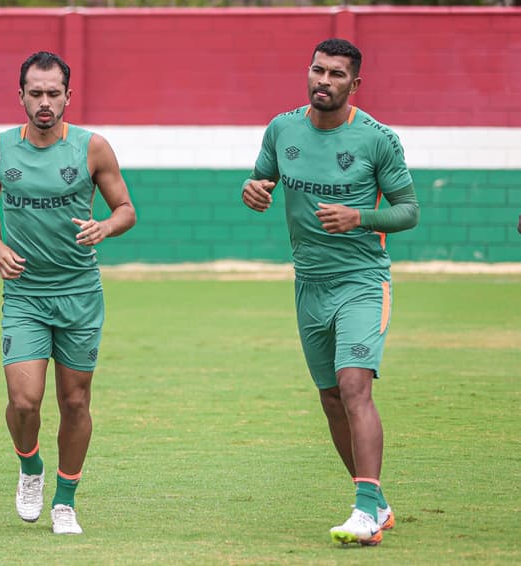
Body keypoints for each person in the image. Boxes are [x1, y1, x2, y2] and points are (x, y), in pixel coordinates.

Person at [241, 38, 419, 546]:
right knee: (331, 397)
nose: (324, 81)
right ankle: (376, 502)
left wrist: (359, 216)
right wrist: (252, 190)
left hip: (363, 281)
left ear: (354, 84)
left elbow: (409, 211)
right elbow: (261, 180)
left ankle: (363, 510)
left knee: (354, 384)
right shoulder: (282, 128)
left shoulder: (377, 139)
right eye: (318, 70)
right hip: (308, 284)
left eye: (337, 74)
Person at [0, 51, 136, 535]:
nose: (44, 102)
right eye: (35, 93)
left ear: (69, 95)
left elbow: (126, 208)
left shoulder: (93, 148)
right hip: (25, 294)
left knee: (75, 403)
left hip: (79, 294)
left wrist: (105, 227)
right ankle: (30, 467)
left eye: (53, 93)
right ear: (20, 95)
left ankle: (65, 501)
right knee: (24, 402)